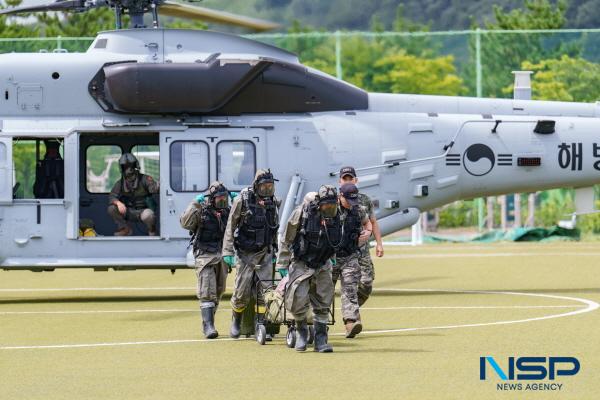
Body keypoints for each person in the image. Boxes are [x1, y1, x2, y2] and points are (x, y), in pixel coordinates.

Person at [276, 185, 339, 352]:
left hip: (323, 263)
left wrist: (331, 259)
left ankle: (321, 340)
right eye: (327, 205)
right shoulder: (301, 213)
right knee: (298, 299)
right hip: (301, 263)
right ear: (319, 204)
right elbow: (287, 239)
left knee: (324, 301)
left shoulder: (336, 215)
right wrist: (282, 262)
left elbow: (335, 239)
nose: (330, 208)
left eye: (332, 205)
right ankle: (302, 333)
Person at [222, 169, 280, 339]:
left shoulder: (273, 202)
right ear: (256, 186)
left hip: (265, 252)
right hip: (245, 253)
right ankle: (236, 321)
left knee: (266, 291)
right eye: (264, 187)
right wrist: (227, 251)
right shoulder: (243, 200)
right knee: (241, 292)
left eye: (270, 187)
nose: (267, 190)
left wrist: (276, 249)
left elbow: (274, 227)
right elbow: (230, 225)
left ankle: (261, 323)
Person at [180, 181, 231, 339]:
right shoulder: (201, 210)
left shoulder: (228, 211)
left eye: (225, 199)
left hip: (221, 254)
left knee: (219, 289)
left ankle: (209, 320)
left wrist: (240, 202)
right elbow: (185, 223)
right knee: (207, 290)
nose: (222, 202)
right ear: (211, 199)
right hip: (205, 254)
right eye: (219, 199)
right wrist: (195, 203)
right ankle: (208, 325)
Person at [338, 166, 384, 306]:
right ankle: (349, 311)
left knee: (366, 283)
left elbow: (373, 222)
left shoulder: (364, 200)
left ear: (356, 180)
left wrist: (379, 243)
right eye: (344, 179)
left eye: (350, 178)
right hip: (340, 251)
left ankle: (352, 307)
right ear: (339, 181)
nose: (348, 181)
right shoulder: (333, 200)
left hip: (361, 249)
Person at [332, 182, 372, 338]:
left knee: (350, 289)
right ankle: (316, 324)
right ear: (340, 196)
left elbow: (368, 223)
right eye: (347, 199)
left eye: (353, 200)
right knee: (323, 292)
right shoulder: (330, 209)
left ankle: (350, 323)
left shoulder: (358, 209)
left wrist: (368, 233)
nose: (350, 203)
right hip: (331, 257)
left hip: (350, 256)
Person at [107, 153, 159, 236]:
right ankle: (125, 229)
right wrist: (118, 203)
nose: (129, 169)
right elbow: (112, 196)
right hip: (128, 211)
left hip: (143, 210)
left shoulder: (145, 179)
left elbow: (153, 189)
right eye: (126, 166)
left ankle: (152, 231)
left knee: (149, 215)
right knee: (112, 208)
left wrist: (157, 185)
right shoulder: (120, 183)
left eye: (131, 165)